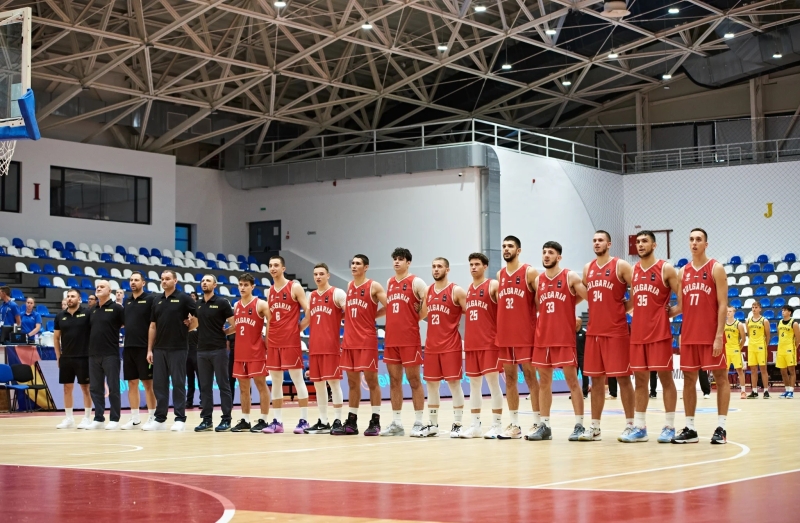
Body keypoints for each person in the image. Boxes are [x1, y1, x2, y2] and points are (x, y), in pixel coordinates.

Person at [673, 228, 729, 445]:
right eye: (691, 239)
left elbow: (723, 305)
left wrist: (719, 336)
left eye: (698, 239)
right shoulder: (682, 272)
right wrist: (652, 312)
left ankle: (721, 428)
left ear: (706, 244)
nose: (694, 243)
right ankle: (690, 428)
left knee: (721, 378)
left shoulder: (716, 268)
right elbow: (680, 307)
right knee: (689, 380)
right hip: (689, 334)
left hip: (710, 334)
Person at [623, 230, 680, 443]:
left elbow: (684, 297)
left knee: (665, 379)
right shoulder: (633, 271)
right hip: (638, 333)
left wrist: (671, 313)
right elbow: (634, 301)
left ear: (654, 245)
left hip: (659, 333)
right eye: (638, 241)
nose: (640, 245)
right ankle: (640, 427)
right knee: (640, 381)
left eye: (645, 241)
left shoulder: (665, 268)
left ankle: (670, 426)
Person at [528, 241, 587, 441]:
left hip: (563, 338)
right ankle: (545, 425)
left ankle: (579, 425)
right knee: (544, 382)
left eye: (550, 253)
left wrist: (570, 307)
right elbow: (538, 306)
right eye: (544, 252)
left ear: (559, 257)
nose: (546, 255)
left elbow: (588, 296)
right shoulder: (539, 280)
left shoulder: (570, 276)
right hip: (542, 338)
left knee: (572, 381)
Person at [581, 231, 635, 442]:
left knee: (623, 378)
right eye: (594, 240)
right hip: (594, 331)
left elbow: (638, 289)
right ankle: (595, 427)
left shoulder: (621, 265)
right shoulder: (588, 268)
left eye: (600, 240)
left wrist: (624, 309)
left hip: (616, 331)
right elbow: (587, 294)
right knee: (596, 381)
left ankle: (631, 425)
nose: (597, 243)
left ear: (609, 244)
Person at [495, 236, 541, 440]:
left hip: (525, 335)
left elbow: (541, 300)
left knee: (530, 377)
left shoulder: (529, 272)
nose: (506, 249)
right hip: (505, 335)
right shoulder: (500, 274)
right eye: (504, 246)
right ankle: (514, 424)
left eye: (510, 246)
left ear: (518, 250)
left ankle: (538, 422)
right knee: (510, 379)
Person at [336, 255, 387, 436]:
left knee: (372, 381)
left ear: (366, 267)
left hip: (366, 339)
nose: (354, 266)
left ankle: (375, 421)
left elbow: (389, 305)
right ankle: (352, 422)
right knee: (352, 383)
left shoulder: (374, 286)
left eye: (358, 263)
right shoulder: (350, 286)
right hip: (349, 340)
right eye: (353, 263)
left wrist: (374, 315)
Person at [380, 247, 428, 437]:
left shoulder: (416, 282)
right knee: (394, 381)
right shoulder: (390, 282)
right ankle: (397, 423)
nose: (396, 262)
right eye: (395, 259)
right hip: (391, 338)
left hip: (409, 338)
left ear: (408, 263)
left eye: (400, 259)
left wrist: (415, 318)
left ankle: (418, 422)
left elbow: (428, 303)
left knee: (414, 380)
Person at [144, 270, 197, 432]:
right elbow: (153, 326)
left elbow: (198, 317)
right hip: (159, 349)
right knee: (159, 385)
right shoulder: (157, 300)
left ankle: (180, 418)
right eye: (162, 279)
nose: (164, 281)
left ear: (175, 280)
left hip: (178, 348)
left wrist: (189, 326)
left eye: (167, 279)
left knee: (178, 383)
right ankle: (160, 419)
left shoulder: (184, 298)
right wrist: (149, 350)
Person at [420, 257, 466, 438]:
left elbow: (473, 313)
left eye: (439, 266)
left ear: (447, 270)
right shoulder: (428, 291)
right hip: (431, 345)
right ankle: (432, 424)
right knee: (432, 385)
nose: (436, 269)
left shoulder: (456, 291)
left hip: (450, 345)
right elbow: (422, 314)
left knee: (454, 384)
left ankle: (458, 424)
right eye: (433, 266)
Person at [264, 256, 312, 434]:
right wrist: (268, 338)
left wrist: (298, 329)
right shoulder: (269, 291)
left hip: (290, 341)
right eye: (270, 265)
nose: (273, 268)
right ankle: (277, 422)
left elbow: (309, 311)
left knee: (297, 379)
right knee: (276, 382)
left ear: (283, 268)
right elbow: (270, 319)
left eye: (276, 265)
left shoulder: (294, 287)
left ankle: (304, 420)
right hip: (274, 340)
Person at [461, 253, 504, 439]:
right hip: (472, 343)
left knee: (493, 384)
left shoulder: (493, 285)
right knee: (474, 385)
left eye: (477, 264)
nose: (473, 267)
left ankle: (497, 425)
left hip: (489, 343)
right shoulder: (469, 289)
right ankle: (475, 425)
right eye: (471, 264)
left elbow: (505, 312)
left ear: (485, 266)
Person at [303, 264, 346, 434]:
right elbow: (308, 319)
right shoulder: (312, 296)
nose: (318, 277)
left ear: (328, 275)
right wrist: (293, 332)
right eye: (315, 274)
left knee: (334, 383)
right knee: (318, 385)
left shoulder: (337, 293)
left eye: (321, 274)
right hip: (315, 346)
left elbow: (350, 314)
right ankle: (323, 421)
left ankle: (337, 420)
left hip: (331, 346)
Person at [229, 274, 271, 432]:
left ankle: (264, 420)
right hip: (240, 352)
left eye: (246, 285)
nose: (242, 287)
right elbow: (237, 327)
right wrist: (223, 332)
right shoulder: (236, 305)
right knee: (243, 388)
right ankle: (245, 420)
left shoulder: (261, 304)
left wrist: (268, 343)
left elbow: (272, 322)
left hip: (256, 352)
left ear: (252, 287)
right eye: (240, 284)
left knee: (261, 385)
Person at [193, 275, 235, 432]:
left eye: (208, 281)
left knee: (223, 385)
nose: (204, 283)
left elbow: (235, 324)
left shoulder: (222, 302)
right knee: (204, 387)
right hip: (201, 350)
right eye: (203, 281)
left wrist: (225, 332)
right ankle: (207, 420)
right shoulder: (197, 304)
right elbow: (195, 325)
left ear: (215, 285)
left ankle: (226, 419)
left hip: (218, 350)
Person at [87, 280, 125, 430]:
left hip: (111, 354)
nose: (98, 288)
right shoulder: (92, 310)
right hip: (93, 354)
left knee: (113, 387)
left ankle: (114, 419)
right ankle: (99, 418)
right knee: (95, 388)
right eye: (97, 287)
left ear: (109, 291)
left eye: (102, 287)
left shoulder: (117, 308)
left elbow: (126, 324)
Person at [120, 271, 156, 430]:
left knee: (148, 384)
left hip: (144, 348)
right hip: (129, 347)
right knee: (131, 383)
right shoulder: (127, 302)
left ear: (143, 283)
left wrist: (150, 349)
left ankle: (152, 417)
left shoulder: (150, 300)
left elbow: (154, 324)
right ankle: (135, 418)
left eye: (136, 280)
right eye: (131, 280)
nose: (133, 282)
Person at [54, 288, 93, 429]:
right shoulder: (60, 316)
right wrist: (59, 356)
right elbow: (56, 338)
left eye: (73, 296)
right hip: (66, 358)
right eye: (68, 296)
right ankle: (69, 418)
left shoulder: (87, 313)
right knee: (67, 388)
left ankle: (87, 418)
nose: (70, 298)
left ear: (79, 299)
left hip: (84, 357)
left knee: (86, 388)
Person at [746, 302, 770, 399]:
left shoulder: (764, 320)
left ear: (760, 309)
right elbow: (749, 334)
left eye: (756, 307)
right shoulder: (748, 320)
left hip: (761, 346)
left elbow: (768, 335)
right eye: (753, 307)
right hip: (752, 346)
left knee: (763, 369)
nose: (754, 309)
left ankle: (766, 391)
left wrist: (765, 345)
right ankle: (754, 391)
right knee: (753, 370)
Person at [776, 305, 799, 398]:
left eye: (785, 310)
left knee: (792, 371)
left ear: (789, 312)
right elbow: (779, 335)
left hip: (790, 349)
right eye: (782, 310)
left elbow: (798, 338)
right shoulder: (779, 322)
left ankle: (791, 391)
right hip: (781, 349)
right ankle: (786, 390)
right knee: (783, 371)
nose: (783, 311)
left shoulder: (794, 323)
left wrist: (793, 348)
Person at [575, 318, 589, 398]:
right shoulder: (571, 332)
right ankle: (574, 393)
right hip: (574, 357)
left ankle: (585, 393)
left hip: (583, 357)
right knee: (574, 376)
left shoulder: (584, 332)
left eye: (575, 321)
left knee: (584, 375)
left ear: (578, 323)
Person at [186, 327, 198, 408]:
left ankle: (203, 401)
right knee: (190, 379)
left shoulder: (199, 325)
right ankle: (189, 401)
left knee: (201, 380)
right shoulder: (185, 326)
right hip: (186, 353)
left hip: (197, 352)